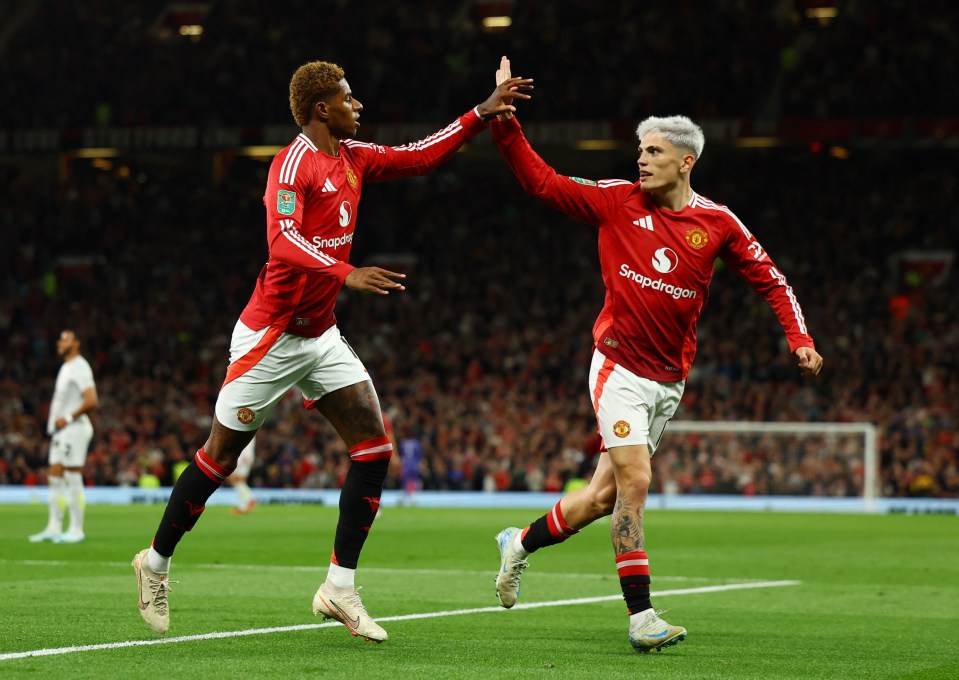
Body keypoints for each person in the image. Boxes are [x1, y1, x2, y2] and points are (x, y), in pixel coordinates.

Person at [131, 59, 532, 641]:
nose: (358, 105)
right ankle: (157, 561)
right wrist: (346, 272)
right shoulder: (292, 164)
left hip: (319, 335)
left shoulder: (355, 158)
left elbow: (419, 155)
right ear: (322, 107)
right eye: (349, 97)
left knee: (374, 448)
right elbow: (281, 241)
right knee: (219, 458)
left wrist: (480, 112)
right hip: (269, 335)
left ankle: (339, 587)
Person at [488, 57, 822, 654]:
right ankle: (642, 618)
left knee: (601, 498)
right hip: (617, 366)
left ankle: (520, 542)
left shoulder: (716, 223)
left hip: (669, 380)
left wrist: (800, 339)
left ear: (686, 161)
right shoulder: (617, 201)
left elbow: (772, 279)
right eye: (639, 149)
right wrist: (505, 122)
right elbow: (543, 183)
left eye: (654, 152)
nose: (640, 159)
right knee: (637, 482)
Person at [29, 329, 99, 544]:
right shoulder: (66, 367)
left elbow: (91, 399)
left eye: (65, 338)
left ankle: (77, 529)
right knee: (55, 478)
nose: (60, 342)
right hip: (61, 432)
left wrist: (68, 418)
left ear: (77, 343)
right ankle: (54, 527)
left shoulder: (80, 366)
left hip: (74, 428)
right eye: (59, 338)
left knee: (71, 475)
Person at [227, 438, 256, 515]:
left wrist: (246, 455)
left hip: (243, 457)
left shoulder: (246, 427)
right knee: (239, 481)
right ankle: (245, 503)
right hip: (244, 456)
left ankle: (247, 501)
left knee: (235, 479)